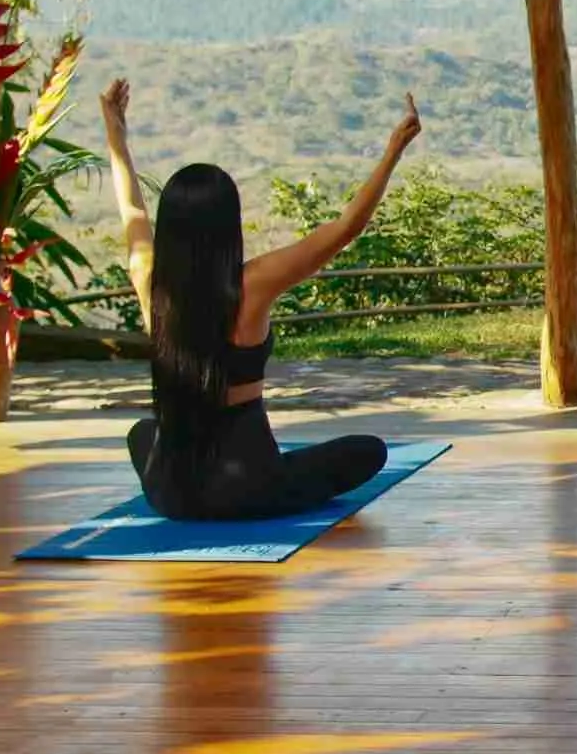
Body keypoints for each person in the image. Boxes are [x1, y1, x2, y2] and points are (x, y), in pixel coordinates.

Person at [101, 78, 418, 521]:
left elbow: (131, 212)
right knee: (368, 451)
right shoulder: (252, 284)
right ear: (228, 224)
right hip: (249, 489)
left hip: (171, 493)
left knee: (142, 432)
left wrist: (116, 135)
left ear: (169, 227)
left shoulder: (150, 279)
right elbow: (345, 228)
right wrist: (393, 150)